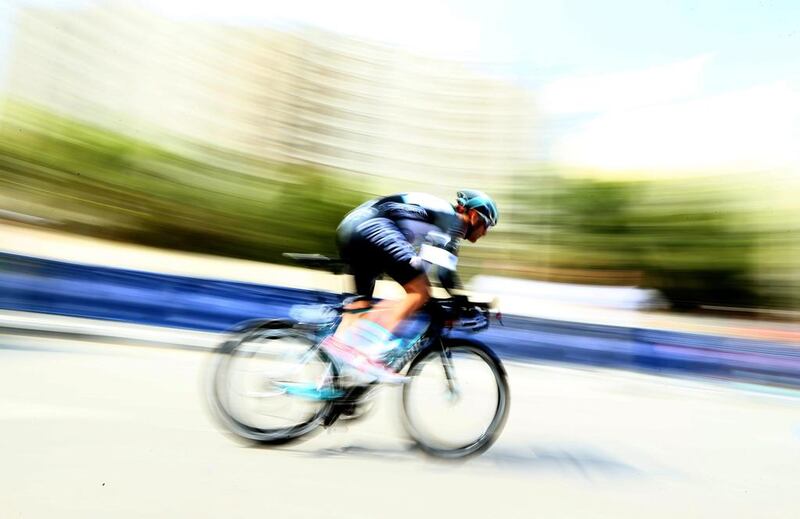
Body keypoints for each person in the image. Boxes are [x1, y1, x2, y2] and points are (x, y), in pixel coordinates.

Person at [320, 189, 498, 384]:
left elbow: (425, 267)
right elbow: (443, 275)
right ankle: (369, 355)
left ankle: (331, 385)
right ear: (473, 216)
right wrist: (463, 304)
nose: (486, 232)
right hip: (374, 226)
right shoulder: (454, 220)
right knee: (419, 292)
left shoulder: (441, 222)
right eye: (486, 224)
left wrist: (457, 302)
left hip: (353, 227)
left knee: (359, 307)